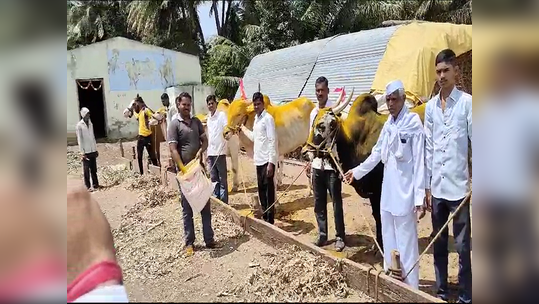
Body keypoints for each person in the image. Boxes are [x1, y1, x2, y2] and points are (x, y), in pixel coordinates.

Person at [344, 80, 426, 290]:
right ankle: (392, 283)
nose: (390, 103)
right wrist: (357, 171)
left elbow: (419, 162)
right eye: (388, 99)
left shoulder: (413, 123)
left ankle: (411, 289)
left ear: (402, 99)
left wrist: (419, 198)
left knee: (407, 243)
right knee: (389, 237)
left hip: (406, 193)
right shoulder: (388, 125)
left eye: (394, 99)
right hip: (388, 193)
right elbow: (377, 154)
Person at [424, 49, 472, 303]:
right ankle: (441, 293)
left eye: (446, 71)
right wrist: (427, 187)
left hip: (459, 190)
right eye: (438, 72)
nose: (441, 76)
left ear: (455, 71)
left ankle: (466, 297)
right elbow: (428, 148)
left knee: (463, 248)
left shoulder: (467, 103)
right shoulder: (431, 108)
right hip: (438, 189)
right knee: (439, 244)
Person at [168, 92, 215, 257]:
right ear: (178, 105)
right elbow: (173, 149)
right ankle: (189, 243)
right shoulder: (174, 125)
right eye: (184, 105)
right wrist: (183, 168)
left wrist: (200, 152)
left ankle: (209, 240)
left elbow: (205, 141)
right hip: (185, 173)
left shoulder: (196, 122)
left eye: (189, 105)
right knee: (187, 209)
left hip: (198, 170)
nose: (187, 107)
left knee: (204, 205)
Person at [307, 76, 346, 252]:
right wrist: (309, 160)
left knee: (336, 201)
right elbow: (311, 137)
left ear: (328, 91)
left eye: (322, 90)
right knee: (318, 201)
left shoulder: (336, 112)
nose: (319, 93)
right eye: (317, 90)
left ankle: (340, 236)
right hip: (316, 163)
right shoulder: (313, 114)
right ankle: (322, 234)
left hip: (332, 165)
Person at [240, 92, 277, 225]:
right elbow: (255, 138)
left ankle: (270, 220)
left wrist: (271, 163)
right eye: (254, 104)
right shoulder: (257, 119)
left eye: (258, 104)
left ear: (263, 104)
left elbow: (272, 140)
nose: (256, 106)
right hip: (259, 160)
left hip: (267, 161)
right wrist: (243, 130)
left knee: (269, 192)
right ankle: (265, 217)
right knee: (261, 190)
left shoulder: (268, 119)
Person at [205, 95, 229, 204]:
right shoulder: (208, 118)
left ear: (216, 104)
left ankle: (224, 203)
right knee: (214, 179)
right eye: (209, 104)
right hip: (211, 152)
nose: (210, 105)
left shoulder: (222, 116)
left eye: (212, 103)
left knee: (222, 179)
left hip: (220, 151)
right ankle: (217, 202)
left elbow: (226, 129)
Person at [76, 107, 100, 191]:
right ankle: (87, 186)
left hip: (92, 150)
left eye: (89, 114)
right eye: (87, 114)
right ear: (83, 115)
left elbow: (92, 137)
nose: (88, 115)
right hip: (86, 151)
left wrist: (95, 149)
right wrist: (82, 152)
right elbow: (80, 140)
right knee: (86, 170)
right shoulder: (79, 125)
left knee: (94, 169)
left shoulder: (90, 124)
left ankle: (95, 184)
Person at [133, 95, 158, 175]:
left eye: (136, 103)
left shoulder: (146, 110)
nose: (136, 105)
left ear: (139, 103)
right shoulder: (140, 112)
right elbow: (137, 117)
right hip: (141, 137)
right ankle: (141, 173)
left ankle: (157, 171)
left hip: (146, 136)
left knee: (151, 155)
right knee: (139, 156)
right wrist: (133, 110)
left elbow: (152, 116)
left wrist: (155, 118)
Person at [156, 93, 178, 172]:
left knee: (174, 150)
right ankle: (174, 166)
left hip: (174, 133)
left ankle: (176, 167)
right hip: (170, 132)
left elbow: (174, 121)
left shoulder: (172, 109)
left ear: (167, 99)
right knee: (171, 151)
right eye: (162, 101)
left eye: (164, 101)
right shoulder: (167, 108)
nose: (163, 103)